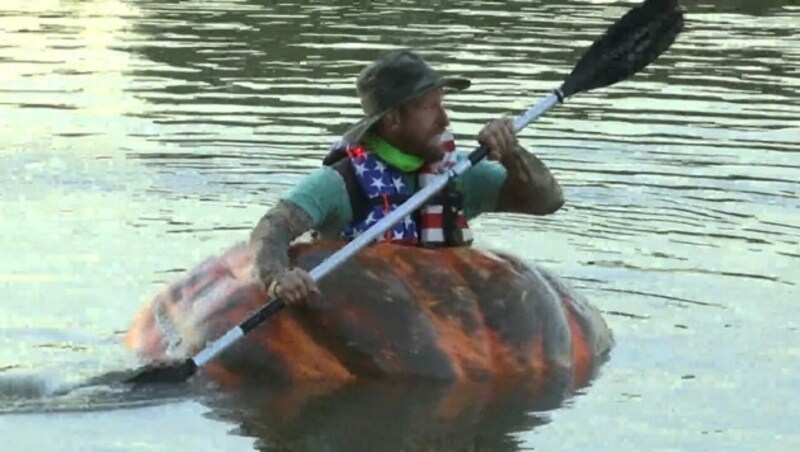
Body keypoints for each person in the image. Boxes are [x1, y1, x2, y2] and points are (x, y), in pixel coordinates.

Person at [249, 50, 564, 305]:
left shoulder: (457, 175)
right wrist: (278, 277)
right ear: (393, 121)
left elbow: (547, 201)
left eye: (443, 105)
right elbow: (273, 227)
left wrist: (512, 153)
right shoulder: (340, 183)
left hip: (435, 317)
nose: (445, 120)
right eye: (430, 108)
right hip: (367, 316)